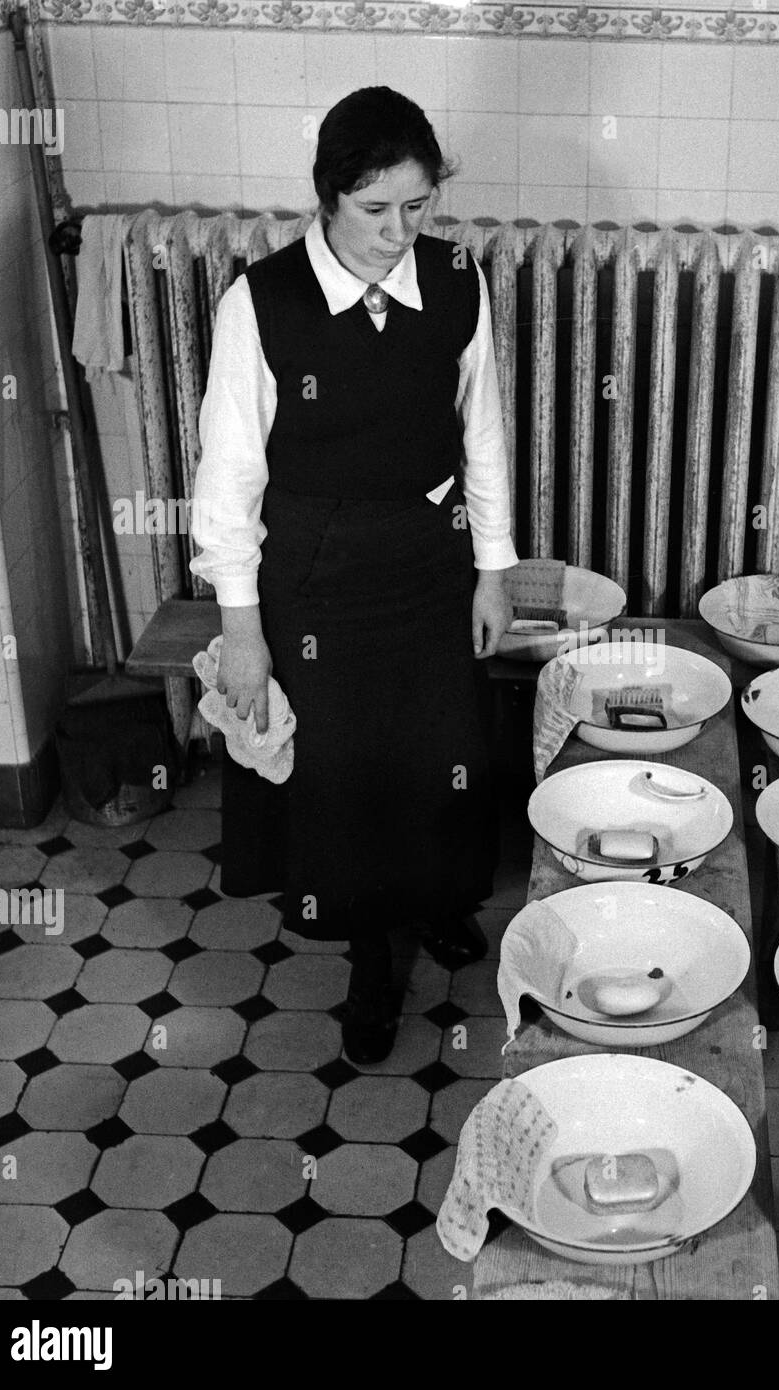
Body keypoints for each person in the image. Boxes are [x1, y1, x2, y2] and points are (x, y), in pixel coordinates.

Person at [189, 87, 518, 1065]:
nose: (398, 231)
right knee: (351, 784)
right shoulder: (263, 303)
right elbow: (228, 478)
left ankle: (433, 903)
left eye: (418, 207)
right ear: (328, 197)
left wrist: (493, 571)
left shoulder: (456, 280)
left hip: (428, 565)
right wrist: (241, 631)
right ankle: (374, 964)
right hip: (317, 579)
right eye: (376, 210)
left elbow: (484, 433)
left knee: (440, 760)